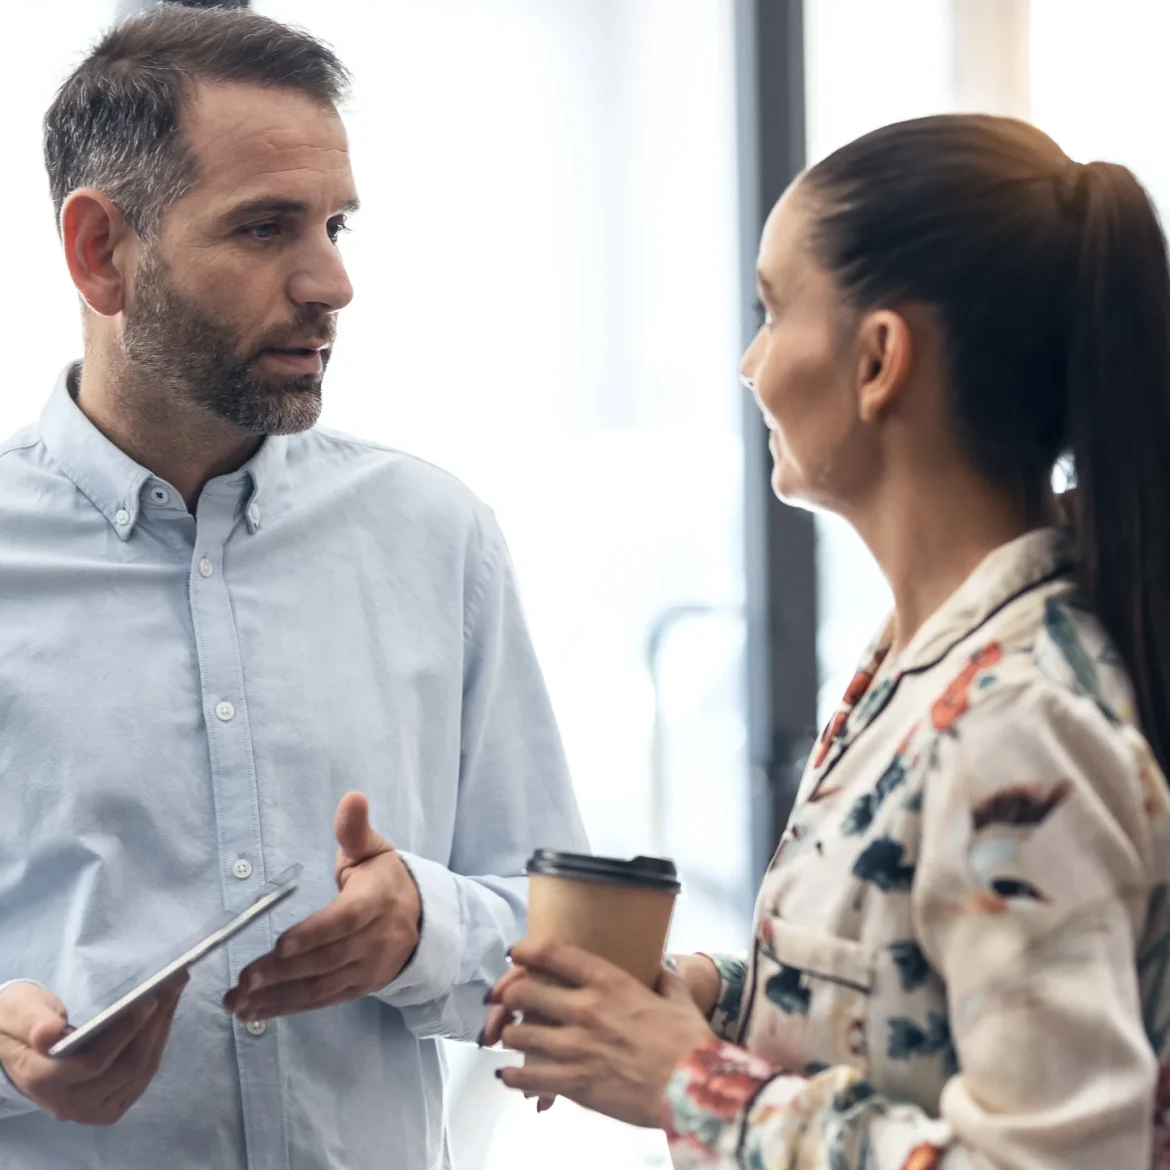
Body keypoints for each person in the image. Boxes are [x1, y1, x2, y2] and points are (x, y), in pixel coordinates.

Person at [484, 113, 1170, 1169]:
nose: (749, 362)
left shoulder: (1016, 722)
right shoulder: (925, 660)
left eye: (769, 309)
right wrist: (707, 1003)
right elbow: (912, 1002)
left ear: (879, 358)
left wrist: (688, 1083)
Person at [0, 6, 585, 1167]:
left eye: (334, 223)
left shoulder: (437, 537)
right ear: (98, 251)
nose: (331, 281)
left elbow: (571, 960)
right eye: (265, 229)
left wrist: (429, 927)